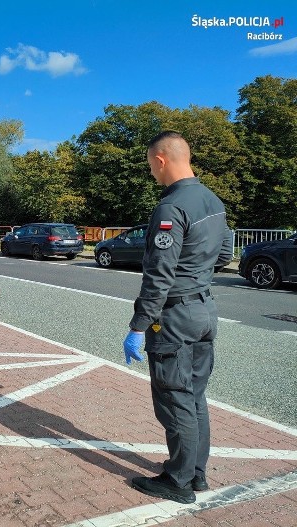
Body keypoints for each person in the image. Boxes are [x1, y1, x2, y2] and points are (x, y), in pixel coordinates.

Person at [123, 131, 233, 504]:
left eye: (150, 165)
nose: (151, 172)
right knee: (195, 396)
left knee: (174, 398)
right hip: (205, 310)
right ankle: (196, 474)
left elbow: (159, 275)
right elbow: (224, 253)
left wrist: (139, 325)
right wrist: (198, 274)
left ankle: (179, 481)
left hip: (175, 316)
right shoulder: (211, 200)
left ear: (161, 160)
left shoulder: (171, 207)